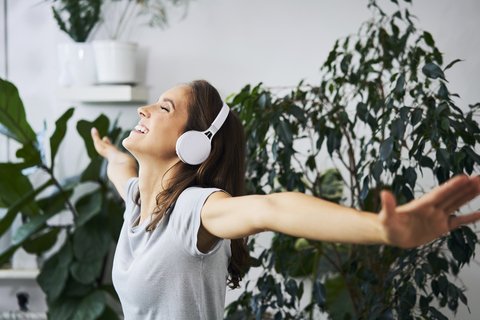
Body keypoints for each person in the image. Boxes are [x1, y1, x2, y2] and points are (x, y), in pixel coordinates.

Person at [91, 79, 480, 320]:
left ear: (193, 143)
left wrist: (378, 228)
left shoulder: (196, 209)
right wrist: (108, 150)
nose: (144, 109)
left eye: (164, 107)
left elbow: (272, 208)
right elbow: (120, 167)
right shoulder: (137, 203)